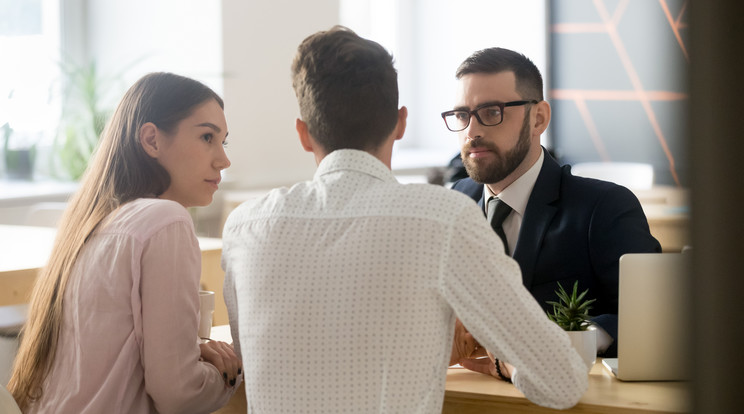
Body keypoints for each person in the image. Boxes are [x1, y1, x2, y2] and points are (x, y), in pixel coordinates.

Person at [221, 26, 587, 413]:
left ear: (303, 133)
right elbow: (562, 381)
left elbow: (253, 363)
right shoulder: (443, 220)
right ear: (400, 123)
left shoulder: (244, 227)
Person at [8, 72, 242, 413]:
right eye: (207, 137)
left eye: (224, 142)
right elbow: (179, 393)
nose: (223, 159)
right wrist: (232, 368)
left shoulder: (91, 222)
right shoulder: (166, 220)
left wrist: (191, 354)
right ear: (151, 140)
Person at [444, 47, 662, 363]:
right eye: (462, 115)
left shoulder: (605, 208)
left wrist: (573, 340)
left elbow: (653, 315)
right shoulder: (455, 202)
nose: (472, 131)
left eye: (492, 112)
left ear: (539, 118)